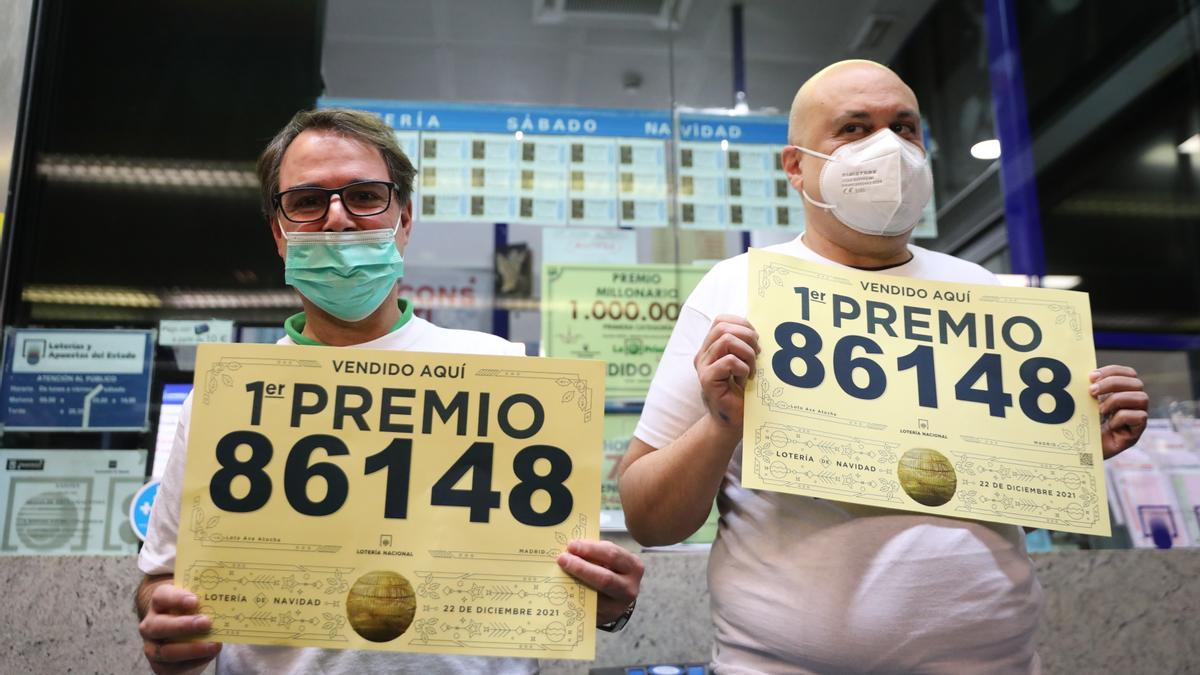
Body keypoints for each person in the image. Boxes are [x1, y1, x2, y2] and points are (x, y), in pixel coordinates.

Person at [618, 59, 1149, 674]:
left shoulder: (981, 291)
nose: (889, 148)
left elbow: (1003, 490)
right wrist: (721, 426)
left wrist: (1072, 447)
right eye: (853, 128)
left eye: (905, 127)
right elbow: (647, 517)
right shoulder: (738, 288)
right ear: (796, 166)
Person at [136, 108, 643, 675]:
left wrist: (603, 600)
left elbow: (563, 577)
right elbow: (161, 575)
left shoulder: (504, 376)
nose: (337, 219)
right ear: (279, 234)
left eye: (364, 196)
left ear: (403, 219)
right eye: (306, 202)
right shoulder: (226, 396)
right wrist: (166, 627)